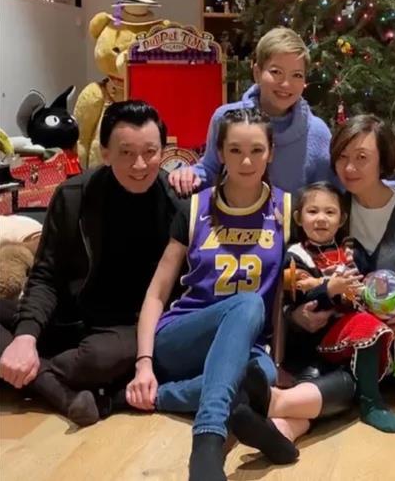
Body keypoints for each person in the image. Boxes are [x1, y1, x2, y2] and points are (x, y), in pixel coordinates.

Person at [229, 115, 395, 459]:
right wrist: (296, 316)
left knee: (349, 380)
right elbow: (293, 281)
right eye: (342, 157)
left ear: (384, 160)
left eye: (361, 158)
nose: (349, 168)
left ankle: (278, 416)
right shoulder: (327, 207)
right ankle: (281, 426)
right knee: (341, 377)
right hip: (331, 347)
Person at [124, 108, 290, 481]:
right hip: (183, 337)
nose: (246, 161)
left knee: (259, 377)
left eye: (257, 150)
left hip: (247, 347)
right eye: (235, 150)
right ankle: (208, 438)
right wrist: (144, 363)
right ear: (220, 152)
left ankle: (162, 397)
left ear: (271, 153)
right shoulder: (195, 206)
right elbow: (156, 294)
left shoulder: (286, 209)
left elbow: (286, 293)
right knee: (248, 302)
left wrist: (280, 357)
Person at [0, 100, 184, 426]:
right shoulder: (74, 195)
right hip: (71, 317)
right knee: (21, 329)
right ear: (105, 152)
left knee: (98, 359)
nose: (140, 164)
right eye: (126, 152)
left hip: (133, 329)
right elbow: (46, 275)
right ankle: (64, 394)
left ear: (163, 151)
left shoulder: (177, 203)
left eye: (150, 152)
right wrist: (26, 335)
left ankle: (37, 376)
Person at [168, 26, 335, 196]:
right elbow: (209, 169)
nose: (286, 84)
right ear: (257, 73)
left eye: (297, 75)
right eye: (276, 72)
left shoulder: (318, 133)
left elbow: (327, 195)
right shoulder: (226, 118)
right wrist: (189, 175)